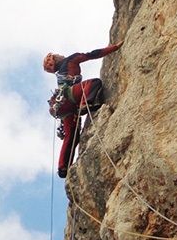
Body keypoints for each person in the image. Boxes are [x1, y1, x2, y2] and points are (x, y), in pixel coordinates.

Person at [43, 42, 123, 177]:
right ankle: (85, 104)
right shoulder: (71, 59)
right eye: (59, 55)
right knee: (94, 83)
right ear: (56, 59)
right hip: (69, 97)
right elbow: (92, 54)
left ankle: (63, 167)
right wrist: (114, 47)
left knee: (72, 136)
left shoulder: (61, 74)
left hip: (61, 107)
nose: (62, 55)